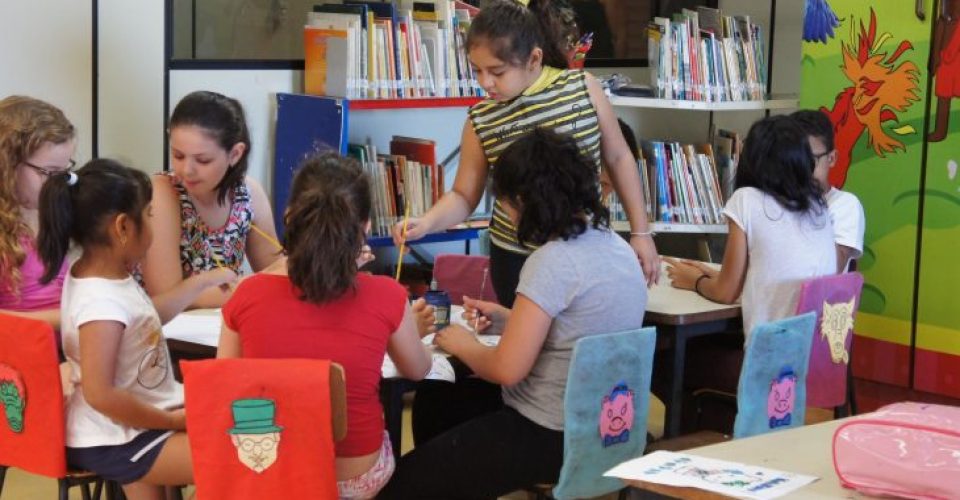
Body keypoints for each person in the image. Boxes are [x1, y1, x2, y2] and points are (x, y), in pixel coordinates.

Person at [382, 128, 648, 499]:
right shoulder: (618, 249)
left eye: (505, 203)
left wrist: (460, 343)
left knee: (404, 484)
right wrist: (511, 319)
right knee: (438, 398)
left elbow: (505, 369)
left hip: (549, 432)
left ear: (523, 202)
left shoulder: (552, 261)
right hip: (605, 426)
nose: (505, 213)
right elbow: (580, 330)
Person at [391, 0, 659, 310]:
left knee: (576, 332)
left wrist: (641, 232)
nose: (485, 82)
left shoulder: (582, 88)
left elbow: (619, 157)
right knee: (523, 338)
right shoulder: (481, 119)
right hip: (516, 256)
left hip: (584, 248)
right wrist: (426, 223)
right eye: (477, 70)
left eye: (497, 71)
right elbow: (464, 195)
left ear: (534, 58)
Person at [217, 153, 432, 499]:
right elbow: (418, 370)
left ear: (289, 217)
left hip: (272, 472)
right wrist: (414, 333)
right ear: (365, 227)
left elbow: (225, 387)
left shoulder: (247, 294)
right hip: (355, 477)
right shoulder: (388, 295)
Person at [37, 159, 237, 499]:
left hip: (134, 423)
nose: (153, 222)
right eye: (149, 214)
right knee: (239, 455)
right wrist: (171, 422)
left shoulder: (102, 274)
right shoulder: (101, 303)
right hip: (118, 438)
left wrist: (199, 283)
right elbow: (100, 394)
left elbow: (142, 320)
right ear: (123, 227)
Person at [663, 116, 836, 407]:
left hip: (768, 362)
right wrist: (716, 276)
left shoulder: (746, 200)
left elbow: (726, 292)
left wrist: (694, 281)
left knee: (669, 360)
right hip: (815, 358)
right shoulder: (818, 208)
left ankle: (697, 428)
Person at [139, 91, 281, 309]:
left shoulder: (248, 195)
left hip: (221, 323)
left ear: (235, 154)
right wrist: (250, 289)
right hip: (168, 328)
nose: (187, 170)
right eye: (178, 156)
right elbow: (166, 297)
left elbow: (278, 275)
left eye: (203, 160)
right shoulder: (163, 193)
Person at [0, 96, 75, 332]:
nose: (56, 184)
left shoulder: (47, 212)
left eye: (64, 172)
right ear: (9, 164)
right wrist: (73, 317)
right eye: (48, 172)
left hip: (57, 348)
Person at [792, 110, 865, 272]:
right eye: (795, 161)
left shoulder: (845, 204)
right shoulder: (777, 202)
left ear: (831, 158)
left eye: (811, 161)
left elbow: (832, 268)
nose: (803, 169)